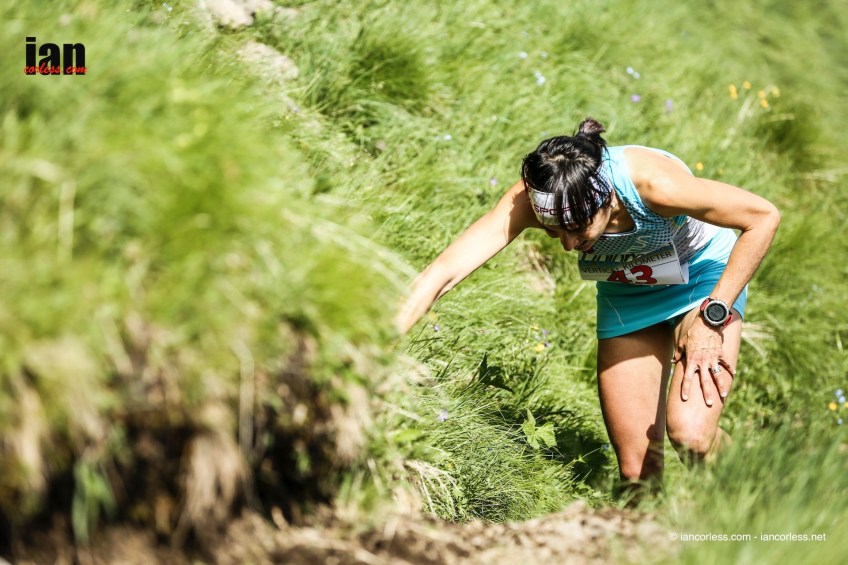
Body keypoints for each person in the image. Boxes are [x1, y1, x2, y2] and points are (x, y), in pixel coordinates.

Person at [396, 117, 780, 493]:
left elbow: (763, 217)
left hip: (702, 280)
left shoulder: (654, 186)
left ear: (606, 202)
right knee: (638, 474)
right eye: (553, 233)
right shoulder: (540, 196)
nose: (567, 245)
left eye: (578, 231)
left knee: (691, 436)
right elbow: (443, 271)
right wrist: (382, 338)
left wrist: (712, 318)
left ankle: (754, 491)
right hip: (628, 292)